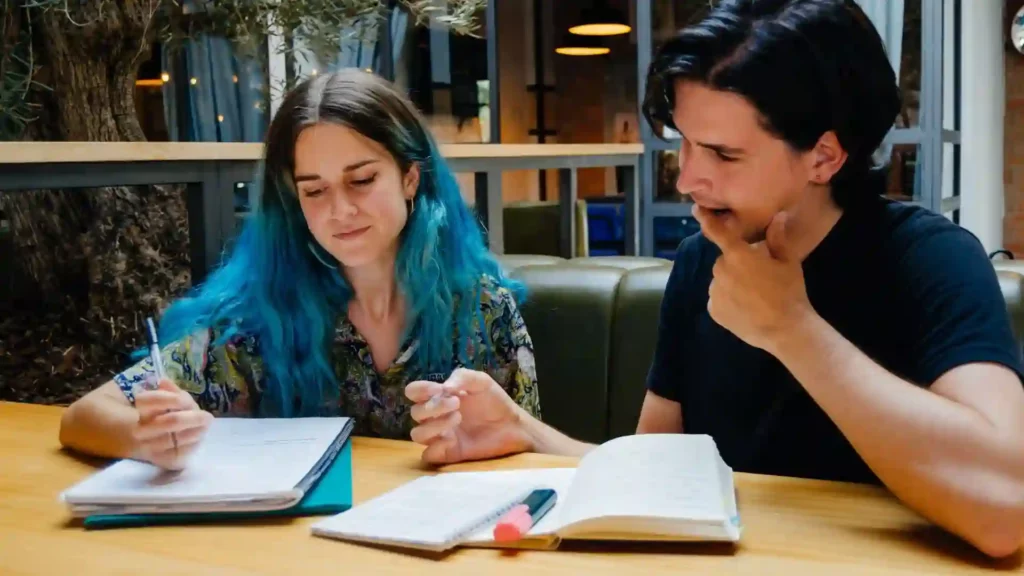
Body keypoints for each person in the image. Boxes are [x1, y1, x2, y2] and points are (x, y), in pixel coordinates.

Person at [404, 0, 1024, 559]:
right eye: (685, 146)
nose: (688, 180)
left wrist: (792, 329)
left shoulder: (931, 260)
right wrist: (522, 430)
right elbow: (656, 473)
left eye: (724, 155)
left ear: (825, 156)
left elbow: (1006, 510)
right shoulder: (703, 261)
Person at [58, 69, 541, 471]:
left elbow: (530, 456)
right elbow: (85, 416)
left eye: (362, 180)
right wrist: (146, 437)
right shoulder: (256, 318)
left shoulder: (481, 310)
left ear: (410, 177)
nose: (340, 210)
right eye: (314, 190)